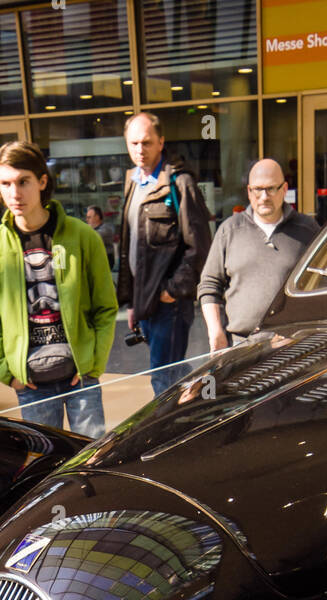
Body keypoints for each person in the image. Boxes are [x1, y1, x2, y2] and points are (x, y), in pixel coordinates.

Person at [0, 140, 117, 438]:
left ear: (41, 181)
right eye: (6, 184)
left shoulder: (82, 236)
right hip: (30, 382)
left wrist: (93, 364)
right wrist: (7, 372)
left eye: (23, 181)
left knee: (91, 458)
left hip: (81, 376)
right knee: (43, 465)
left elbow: (106, 306)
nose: (15, 193)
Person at [117, 111, 212, 394]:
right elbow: (129, 246)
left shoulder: (180, 183)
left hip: (168, 303)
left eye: (146, 142)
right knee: (171, 370)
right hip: (145, 299)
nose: (139, 150)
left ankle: (170, 432)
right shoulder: (132, 182)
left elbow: (199, 247)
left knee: (163, 378)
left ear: (161, 142)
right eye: (133, 143)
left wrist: (172, 290)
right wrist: (133, 301)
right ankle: (198, 403)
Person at [198, 159, 319, 349]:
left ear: (284, 189)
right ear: (248, 191)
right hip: (240, 345)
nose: (264, 197)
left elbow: (323, 284)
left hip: (292, 346)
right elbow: (209, 285)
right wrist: (215, 332)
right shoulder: (229, 230)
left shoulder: (307, 230)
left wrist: (301, 331)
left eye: (271, 188)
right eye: (257, 189)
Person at [85, 204, 116, 271]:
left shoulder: (106, 228)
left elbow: (96, 236)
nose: (87, 220)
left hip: (105, 260)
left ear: (97, 217)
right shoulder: (90, 229)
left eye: (89, 217)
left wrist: (87, 230)